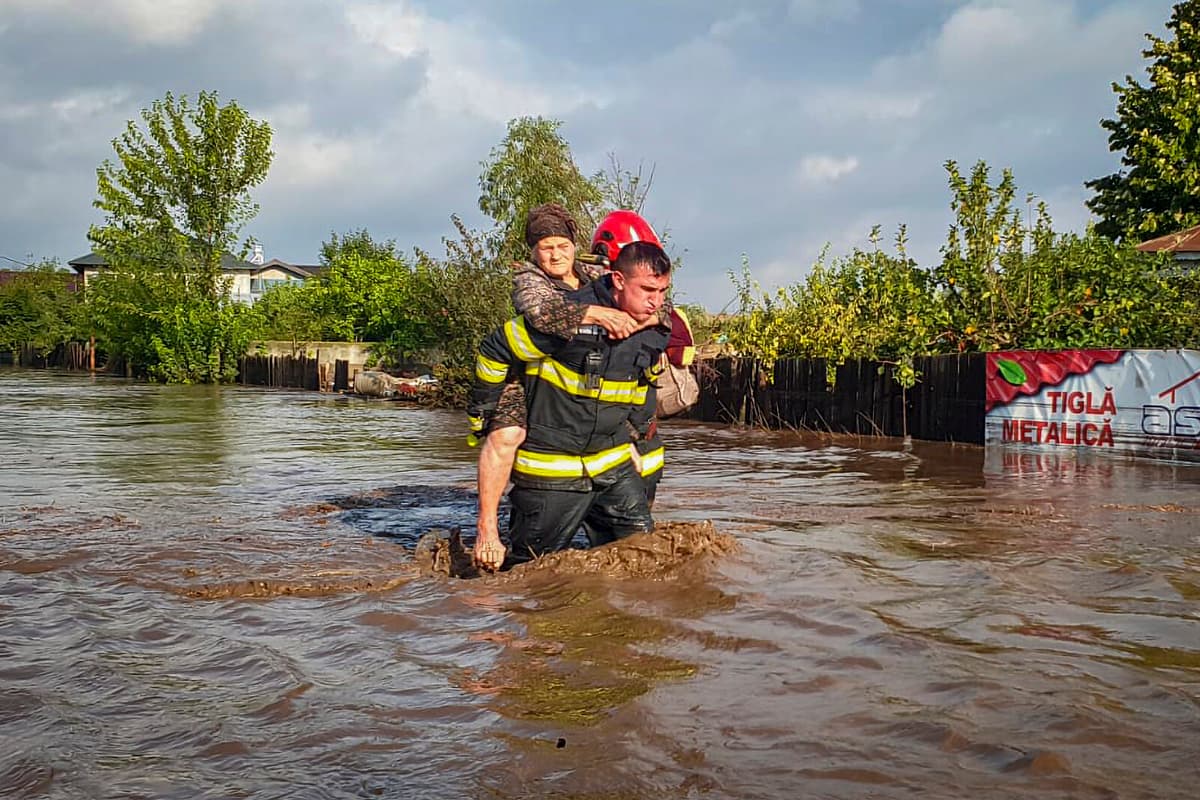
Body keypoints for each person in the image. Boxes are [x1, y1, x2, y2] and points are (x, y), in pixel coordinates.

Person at [472, 205, 668, 569]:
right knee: (506, 436)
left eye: (563, 246)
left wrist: (636, 321)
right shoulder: (529, 280)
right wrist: (482, 410)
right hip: (523, 372)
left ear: (575, 247)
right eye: (546, 248)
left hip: (598, 438)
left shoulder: (595, 274)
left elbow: (653, 301)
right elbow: (540, 317)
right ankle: (487, 530)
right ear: (533, 251)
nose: (556, 255)